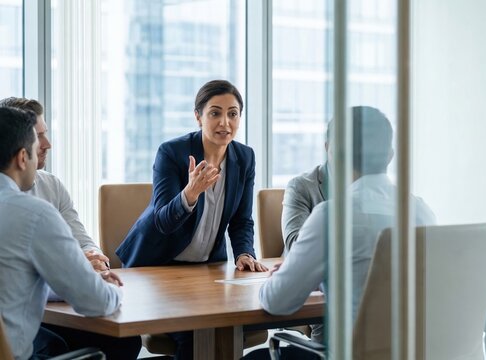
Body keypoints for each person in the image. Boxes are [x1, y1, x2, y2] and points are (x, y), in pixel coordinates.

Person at [247, 106, 437, 359]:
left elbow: (276, 301)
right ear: (390, 155)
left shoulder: (332, 216)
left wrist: (295, 275)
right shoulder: (421, 212)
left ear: (337, 153)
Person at [116, 79, 268, 359]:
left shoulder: (244, 157)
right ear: (198, 116)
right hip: (157, 267)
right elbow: (162, 221)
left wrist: (244, 252)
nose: (225, 122)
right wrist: (190, 193)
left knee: (234, 326)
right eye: (215, 113)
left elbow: (241, 220)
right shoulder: (171, 153)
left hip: (206, 271)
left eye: (233, 113)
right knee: (195, 335)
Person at [0, 107, 128, 360]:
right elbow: (96, 302)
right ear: (22, 158)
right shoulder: (34, 214)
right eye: (37, 145)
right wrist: (114, 289)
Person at [0, 97, 110, 272]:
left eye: (46, 133)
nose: (48, 144)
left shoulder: (52, 185)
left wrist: (94, 259)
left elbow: (83, 242)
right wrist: (75, 271)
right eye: (37, 137)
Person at [281, 123, 330, 254]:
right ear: (327, 147)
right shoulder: (300, 186)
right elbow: (295, 244)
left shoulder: (371, 189)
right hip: (306, 271)